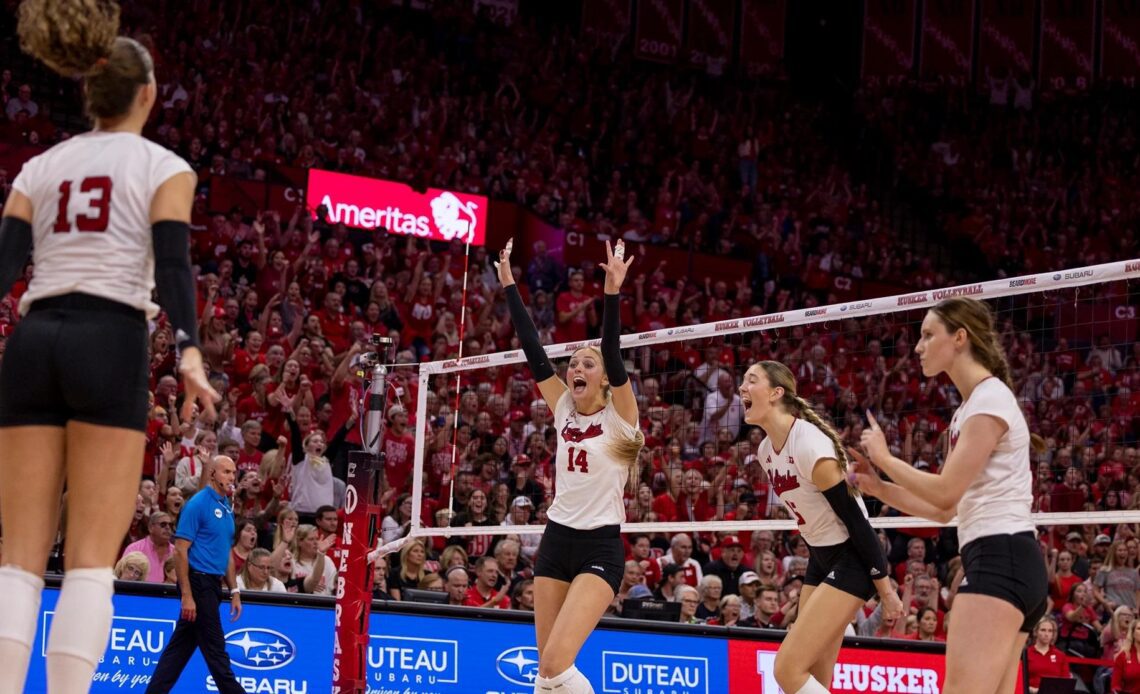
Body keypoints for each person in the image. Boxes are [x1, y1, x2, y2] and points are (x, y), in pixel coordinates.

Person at [0, 4, 217, 691]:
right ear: (148, 94)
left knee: (18, 561)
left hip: (33, 341)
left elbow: (5, 265)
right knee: (91, 560)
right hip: (111, 338)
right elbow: (174, 265)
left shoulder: (39, 165)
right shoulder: (164, 166)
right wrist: (187, 351)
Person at [852, 297, 1049, 694]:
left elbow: (945, 489)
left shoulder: (989, 399)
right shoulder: (970, 408)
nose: (919, 347)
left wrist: (885, 458)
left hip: (1000, 559)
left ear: (960, 338)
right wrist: (877, 487)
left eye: (928, 335)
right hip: (1010, 561)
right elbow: (944, 510)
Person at [497, 238, 643, 694]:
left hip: (600, 548)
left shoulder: (620, 417)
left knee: (559, 663)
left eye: (587, 363)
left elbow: (614, 355)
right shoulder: (562, 406)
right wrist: (508, 286)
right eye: (573, 362)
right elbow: (532, 349)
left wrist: (612, 292)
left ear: (602, 380)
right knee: (547, 673)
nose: (575, 366)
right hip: (556, 540)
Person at [738, 360, 902, 694]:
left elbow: (856, 521)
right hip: (820, 556)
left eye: (751, 380)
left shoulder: (810, 446)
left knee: (786, 670)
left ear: (776, 393)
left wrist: (886, 591)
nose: (742, 387)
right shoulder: (766, 451)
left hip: (853, 557)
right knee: (814, 676)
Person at [145, 456, 243, 693]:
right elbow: (180, 550)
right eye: (226, 472)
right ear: (212, 474)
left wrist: (235, 590)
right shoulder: (197, 504)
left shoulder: (225, 507)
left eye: (233, 472)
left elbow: (226, 552)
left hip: (212, 583)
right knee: (217, 653)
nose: (231, 477)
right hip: (198, 582)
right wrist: (187, 595)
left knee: (178, 651)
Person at [121, 512, 176, 582]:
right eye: (163, 524)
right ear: (150, 528)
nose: (168, 528)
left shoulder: (176, 552)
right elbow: (123, 577)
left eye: (170, 525)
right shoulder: (134, 549)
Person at [1025, 616, 1070, 694]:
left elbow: (1065, 682)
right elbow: (1019, 679)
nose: (1046, 634)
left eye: (1050, 631)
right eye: (1043, 630)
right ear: (1035, 632)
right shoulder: (1026, 654)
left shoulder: (1061, 656)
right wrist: (1031, 690)